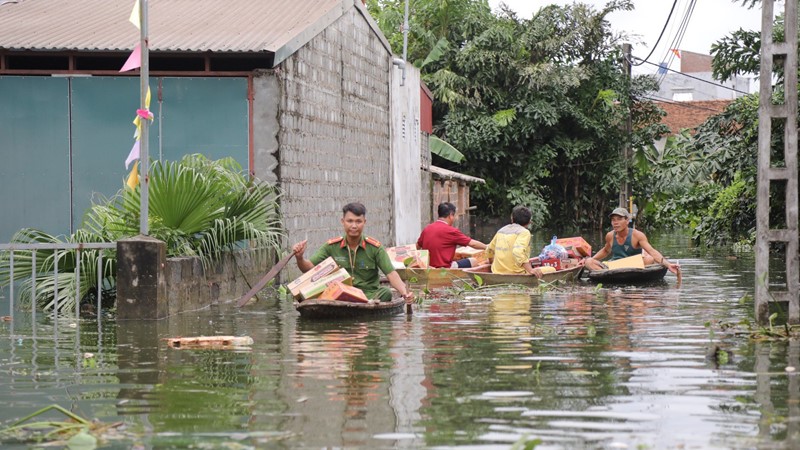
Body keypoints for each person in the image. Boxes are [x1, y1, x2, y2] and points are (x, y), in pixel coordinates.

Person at [292, 202, 414, 303]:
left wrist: (405, 293)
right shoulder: (331, 246)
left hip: (368, 296)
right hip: (340, 295)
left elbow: (391, 274)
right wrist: (299, 258)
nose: (354, 226)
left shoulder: (375, 248)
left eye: (358, 221)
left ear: (364, 222)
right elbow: (308, 269)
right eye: (350, 221)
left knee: (386, 293)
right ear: (343, 222)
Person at [584, 207, 680, 274]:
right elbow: (605, 251)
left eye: (619, 219)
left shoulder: (637, 235)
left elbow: (651, 251)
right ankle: (609, 275)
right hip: (614, 266)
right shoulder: (610, 235)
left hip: (633, 266)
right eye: (613, 220)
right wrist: (592, 259)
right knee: (588, 262)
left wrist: (668, 265)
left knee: (649, 259)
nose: (615, 223)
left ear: (627, 221)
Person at [416, 202, 487, 268]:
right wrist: (488, 247)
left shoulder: (427, 228)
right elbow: (473, 244)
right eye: (454, 215)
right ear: (450, 216)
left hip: (429, 267)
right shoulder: (451, 231)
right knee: (473, 261)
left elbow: (417, 246)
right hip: (445, 268)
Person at [485, 206, 543, 277]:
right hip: (516, 273)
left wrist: (492, 263)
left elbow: (489, 250)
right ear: (529, 222)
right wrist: (530, 270)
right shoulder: (524, 232)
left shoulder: (501, 230)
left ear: (512, 219)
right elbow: (517, 252)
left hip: (496, 272)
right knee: (551, 269)